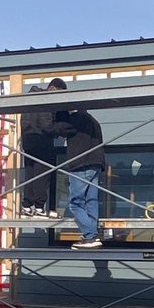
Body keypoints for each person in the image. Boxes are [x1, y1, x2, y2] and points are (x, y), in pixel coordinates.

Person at [47, 78, 106, 251]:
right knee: (91, 200)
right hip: (96, 164)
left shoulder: (76, 118)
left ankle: (90, 235)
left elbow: (56, 130)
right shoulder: (92, 119)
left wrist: (47, 120)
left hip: (81, 164)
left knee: (75, 203)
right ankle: (91, 236)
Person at [20, 84, 59, 218]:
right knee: (43, 174)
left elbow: (24, 123)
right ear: (53, 88)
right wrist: (56, 130)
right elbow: (46, 125)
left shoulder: (27, 100)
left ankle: (27, 205)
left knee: (30, 173)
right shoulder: (44, 99)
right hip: (42, 140)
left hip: (28, 140)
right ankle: (39, 207)